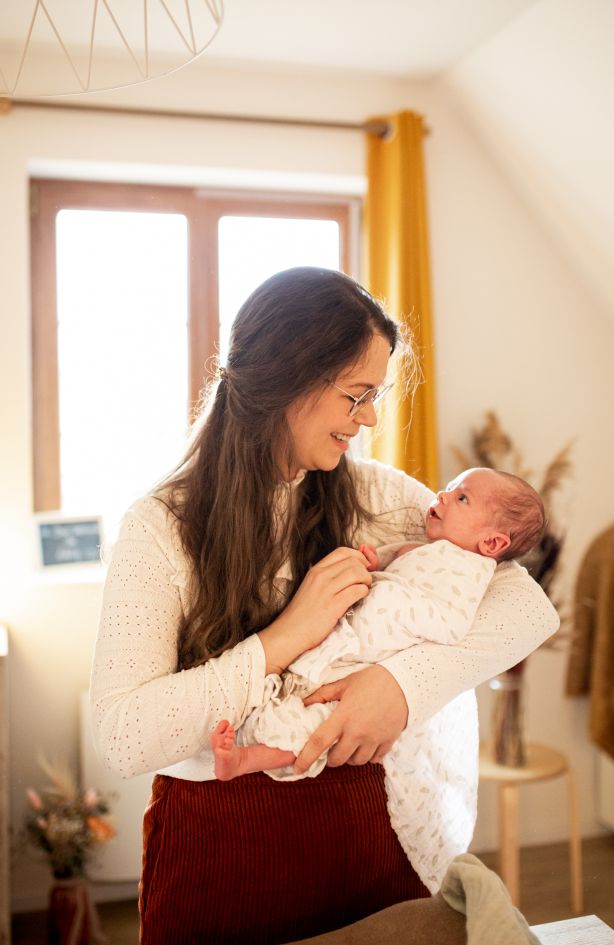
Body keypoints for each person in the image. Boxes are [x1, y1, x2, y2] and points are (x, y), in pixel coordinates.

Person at [90, 267, 559, 945]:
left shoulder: (376, 495)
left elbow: (527, 609)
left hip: (371, 830)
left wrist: (400, 686)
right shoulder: (159, 528)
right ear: (288, 379)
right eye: (356, 395)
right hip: (220, 847)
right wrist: (287, 635)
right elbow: (122, 735)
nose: (369, 418)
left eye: (375, 396)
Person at [210, 467, 545, 890]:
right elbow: (393, 559)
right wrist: (374, 563)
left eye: (462, 498)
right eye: (449, 488)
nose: (442, 495)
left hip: (374, 653)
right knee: (288, 689)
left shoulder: (471, 570)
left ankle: (247, 759)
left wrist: (399, 617)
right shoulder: (426, 546)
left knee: (316, 723)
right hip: (345, 638)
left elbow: (452, 625)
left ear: (492, 543)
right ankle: (249, 724)